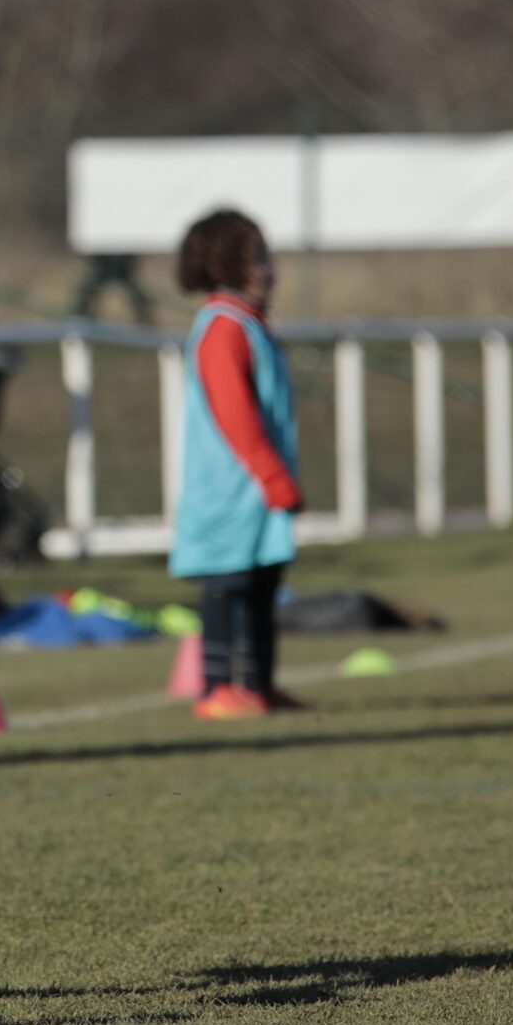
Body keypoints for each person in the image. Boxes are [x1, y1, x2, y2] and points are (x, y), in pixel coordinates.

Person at [170, 209, 304, 720]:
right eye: (259, 259)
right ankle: (217, 689)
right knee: (227, 584)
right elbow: (235, 415)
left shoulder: (252, 324)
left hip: (259, 486)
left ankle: (261, 684)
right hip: (232, 486)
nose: (270, 271)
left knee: (265, 581)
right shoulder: (223, 327)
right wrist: (273, 477)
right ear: (227, 264)